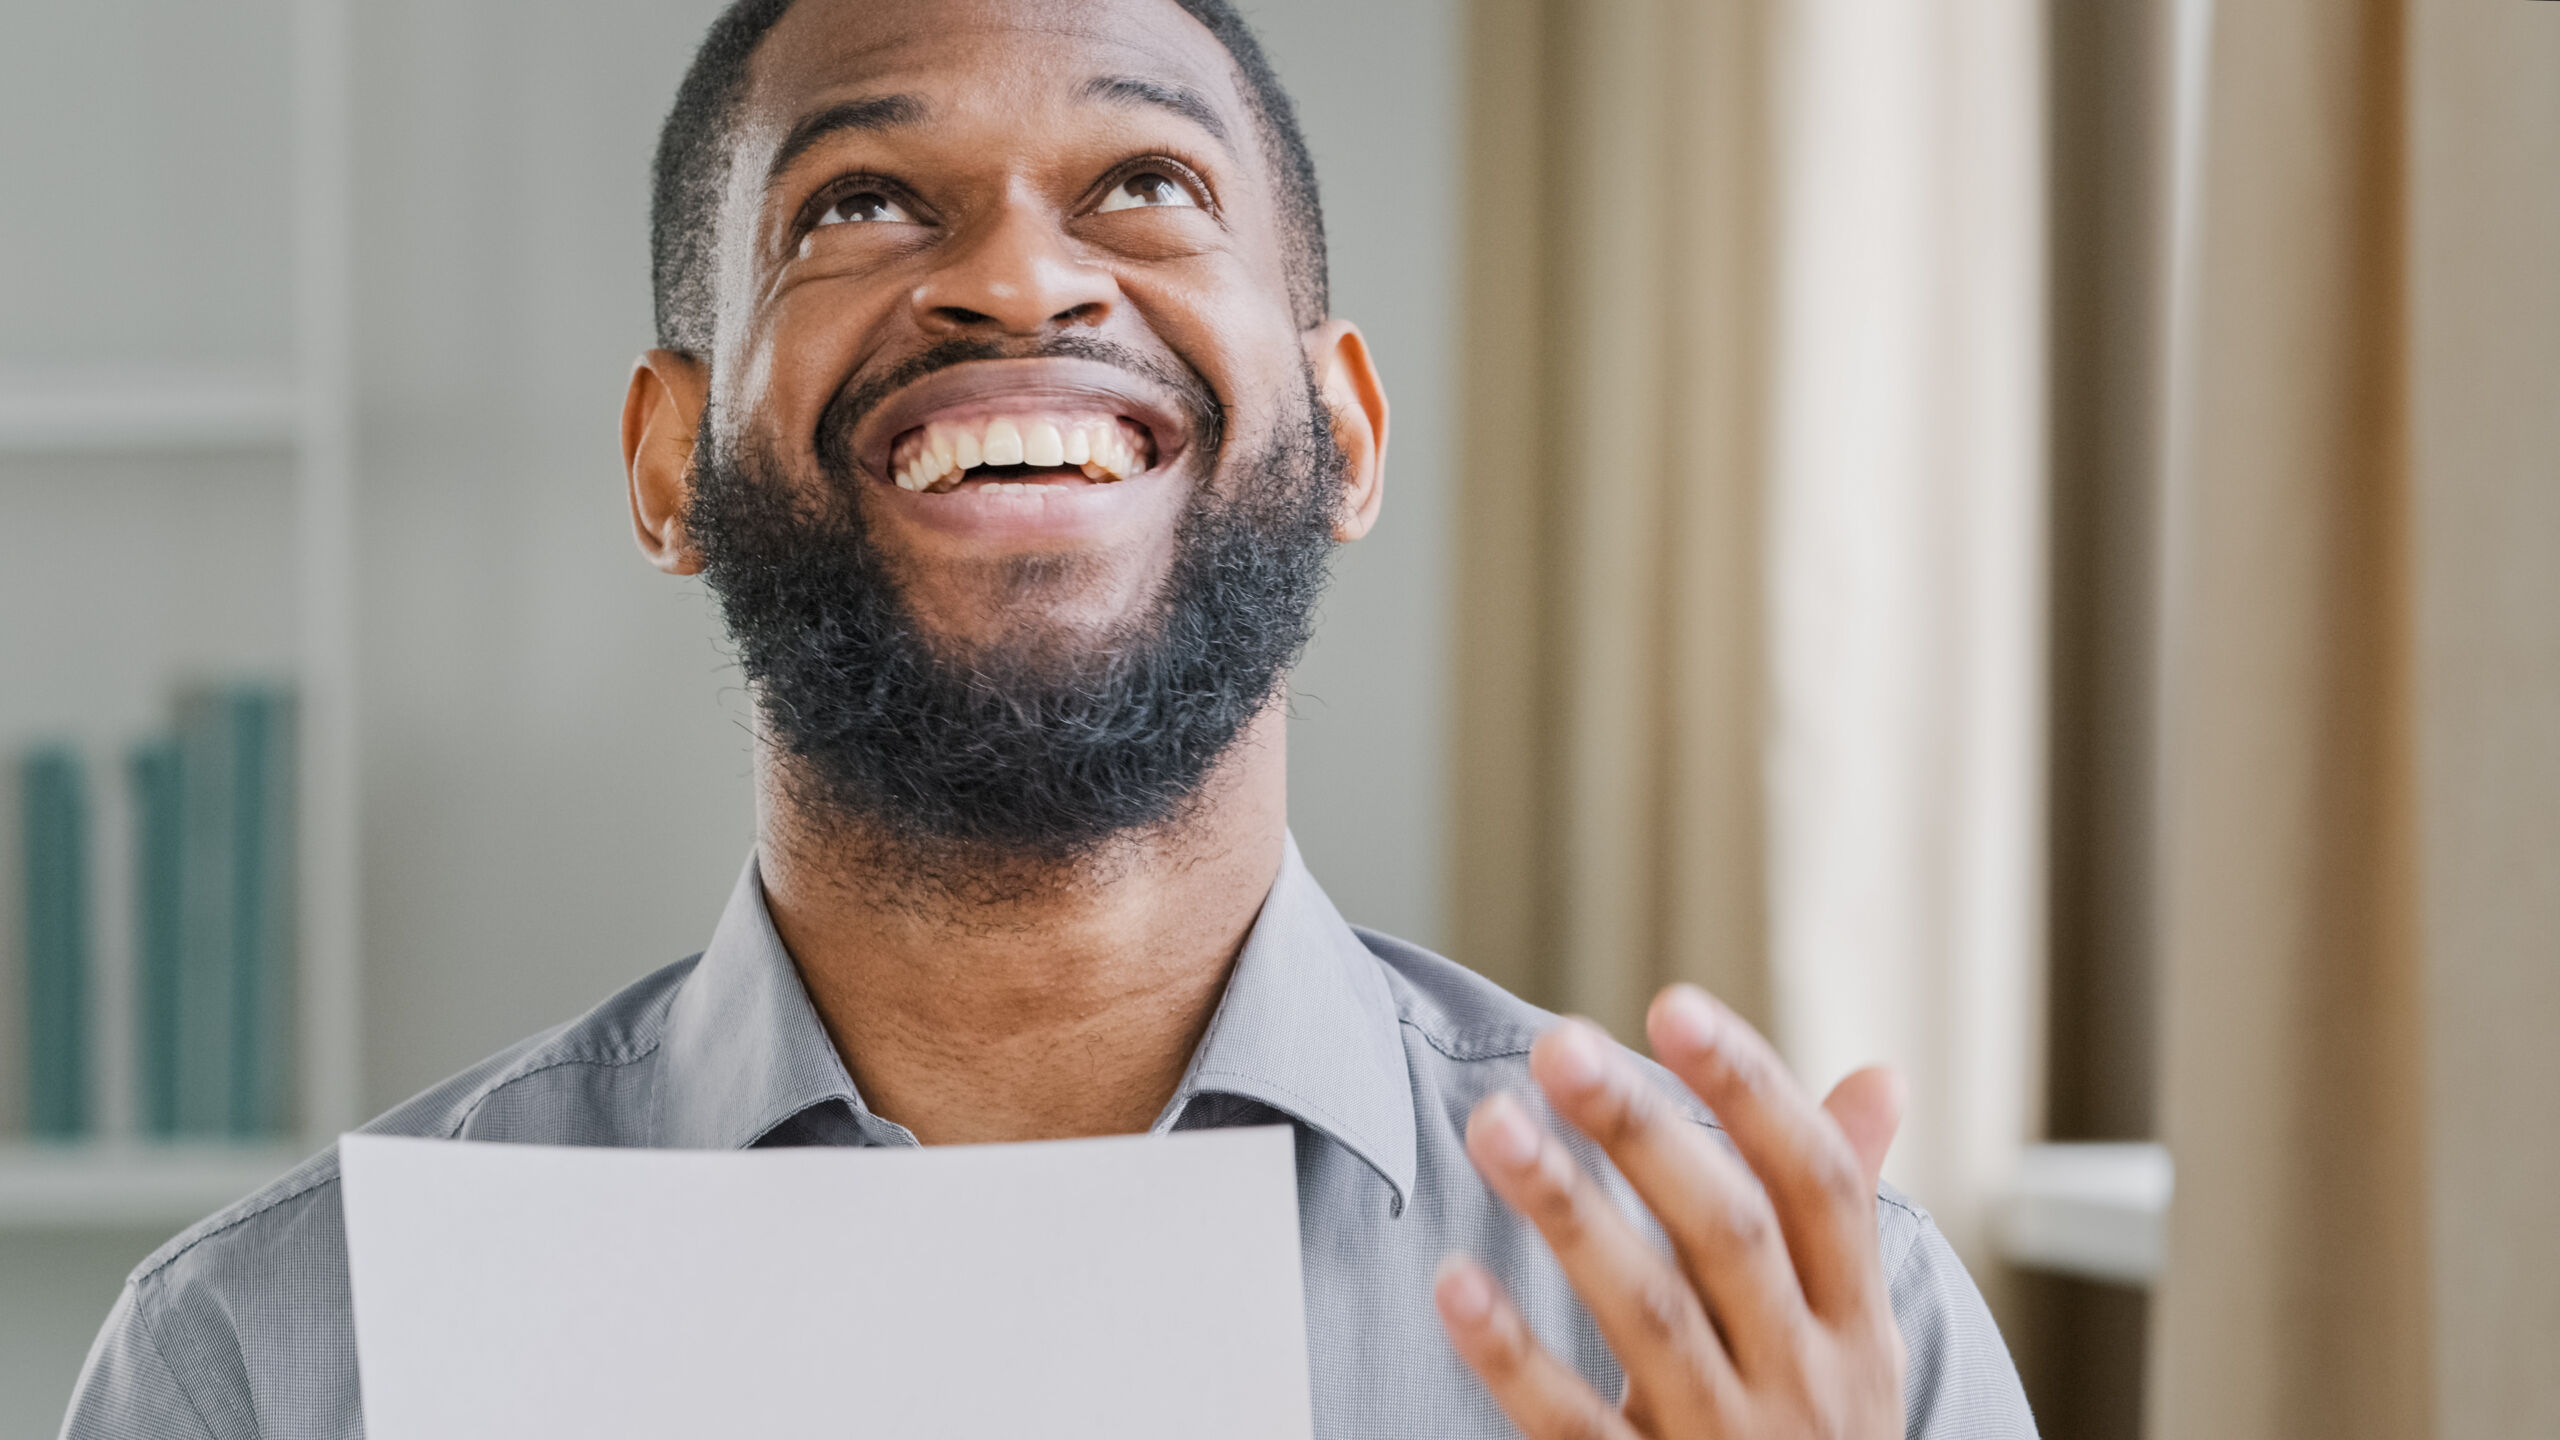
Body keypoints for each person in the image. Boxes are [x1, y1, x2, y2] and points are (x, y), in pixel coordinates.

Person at [62, 1, 2036, 1435]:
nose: (1015, 270)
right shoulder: (273, 1365)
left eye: (1145, 184)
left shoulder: (1787, 1325)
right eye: (853, 210)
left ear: (1340, 432)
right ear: (669, 464)